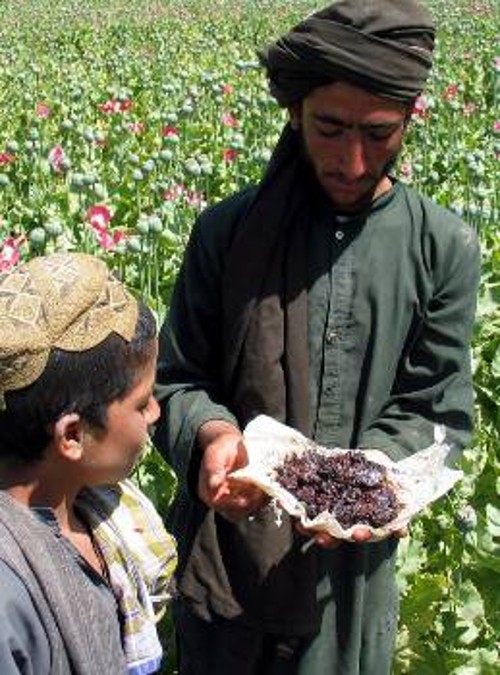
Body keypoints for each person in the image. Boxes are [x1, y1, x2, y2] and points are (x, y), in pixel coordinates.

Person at [154, 1, 481, 673]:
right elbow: (176, 378)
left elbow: (436, 408)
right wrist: (214, 437)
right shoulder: (226, 233)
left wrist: (373, 476)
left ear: (411, 119)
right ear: (295, 113)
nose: (352, 160)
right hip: (229, 567)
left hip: (351, 581)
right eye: (330, 128)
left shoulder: (442, 246)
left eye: (379, 133)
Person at [0, 252, 177, 675]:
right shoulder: (10, 597)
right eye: (141, 403)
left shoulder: (94, 511)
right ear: (73, 436)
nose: (155, 413)